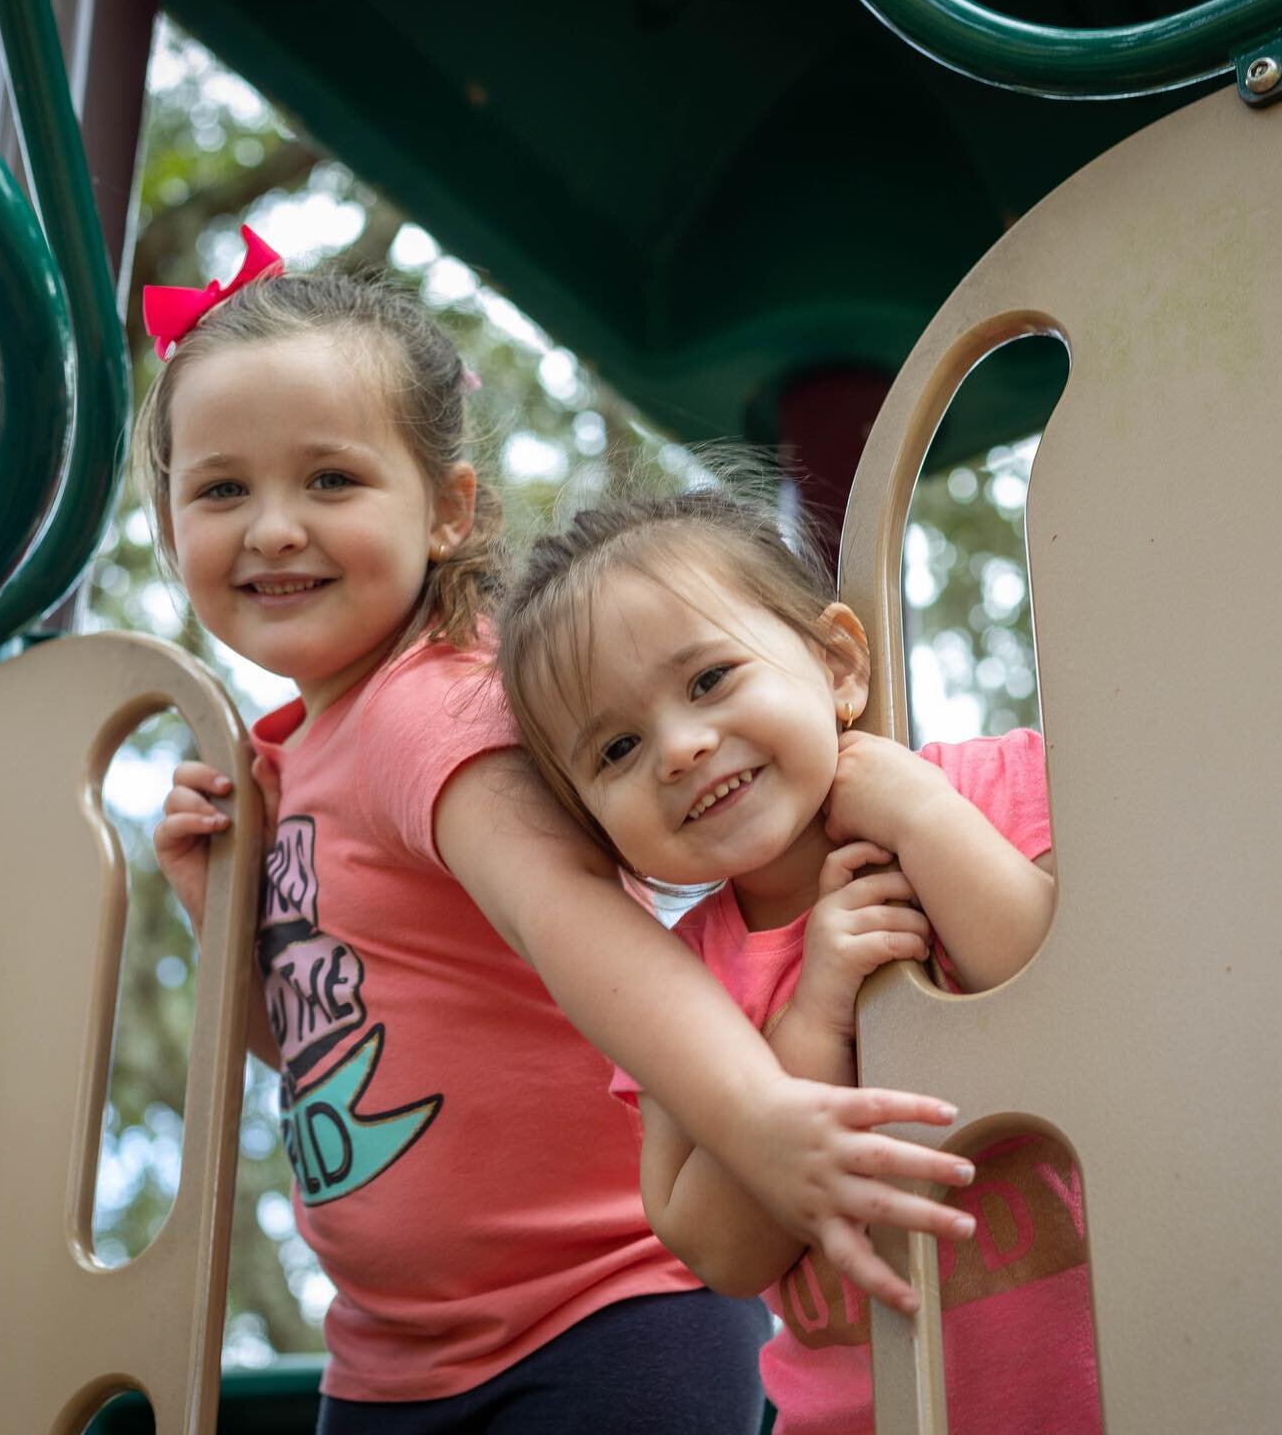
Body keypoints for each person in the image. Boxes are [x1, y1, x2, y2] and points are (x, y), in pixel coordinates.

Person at [136, 229, 974, 1432]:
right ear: (170, 533)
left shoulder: (425, 706)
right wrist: (224, 907)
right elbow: (326, 1057)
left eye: (330, 481)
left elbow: (571, 919)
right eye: (223, 490)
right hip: (391, 1360)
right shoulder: (281, 759)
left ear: (446, 510)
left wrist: (757, 1117)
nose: (273, 528)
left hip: (606, 1314)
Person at [496, 492, 1102, 1434]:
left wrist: (920, 816)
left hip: (1114, 1380)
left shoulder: (984, 791)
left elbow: (1082, 1011)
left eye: (708, 681)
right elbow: (717, 1248)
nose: (681, 747)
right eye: (617, 747)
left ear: (837, 664)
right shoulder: (673, 984)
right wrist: (814, 1017)